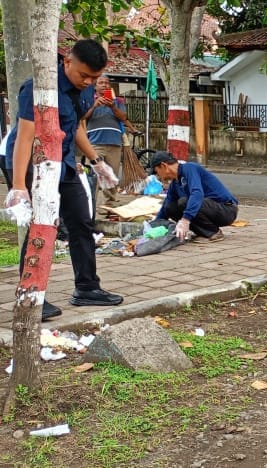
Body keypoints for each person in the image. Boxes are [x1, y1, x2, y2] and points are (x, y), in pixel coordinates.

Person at [4, 39, 123, 320]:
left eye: (95, 77)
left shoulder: (85, 91)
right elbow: (25, 137)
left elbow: (77, 127)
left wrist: (97, 162)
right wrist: (19, 185)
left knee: (82, 221)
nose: (89, 82)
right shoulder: (38, 88)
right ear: (66, 62)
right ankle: (31, 295)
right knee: (41, 225)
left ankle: (87, 288)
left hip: (64, 163)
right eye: (84, 75)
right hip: (32, 162)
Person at [149, 152, 239, 243]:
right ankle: (204, 232)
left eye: (157, 172)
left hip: (227, 210)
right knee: (170, 207)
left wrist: (185, 220)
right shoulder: (175, 183)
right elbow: (165, 208)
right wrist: (153, 228)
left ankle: (213, 232)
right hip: (208, 209)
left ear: (164, 166)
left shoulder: (189, 168)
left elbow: (197, 194)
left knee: (184, 202)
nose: (158, 176)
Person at [80, 74, 139, 207]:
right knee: (94, 175)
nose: (104, 85)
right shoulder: (89, 99)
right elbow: (83, 117)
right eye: (101, 83)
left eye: (107, 83)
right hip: (94, 143)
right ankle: (90, 204)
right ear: (95, 86)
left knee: (111, 175)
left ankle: (110, 205)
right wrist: (94, 105)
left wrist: (113, 106)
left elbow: (123, 117)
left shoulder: (117, 101)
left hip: (114, 143)